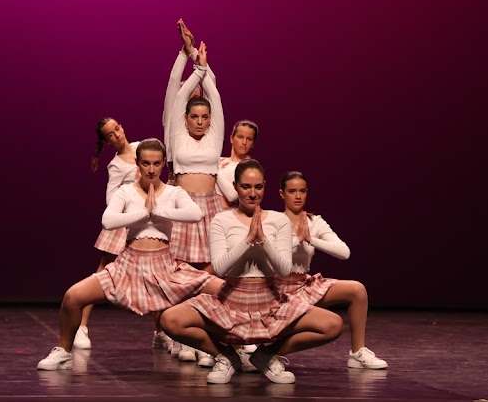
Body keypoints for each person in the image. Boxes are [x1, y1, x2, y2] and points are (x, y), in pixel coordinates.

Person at [37, 139, 224, 371]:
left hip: (164, 268)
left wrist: (157, 210)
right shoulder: (126, 192)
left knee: (223, 290)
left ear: (164, 163)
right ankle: (64, 351)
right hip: (127, 266)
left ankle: (231, 351)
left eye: (156, 163)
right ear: (137, 163)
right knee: (73, 297)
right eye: (146, 163)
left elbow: (195, 214)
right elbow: (108, 220)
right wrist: (143, 212)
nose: (152, 169)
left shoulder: (174, 192)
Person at [158, 159, 344, 384]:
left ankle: (267, 355)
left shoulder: (278, 220)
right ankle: (225, 357)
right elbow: (219, 267)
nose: (253, 193)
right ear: (236, 186)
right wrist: (247, 240)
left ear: (265, 186)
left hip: (270, 302)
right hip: (231, 300)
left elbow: (284, 270)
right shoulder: (222, 220)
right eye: (246, 187)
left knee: (333, 324)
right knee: (170, 319)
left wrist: (263, 240)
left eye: (258, 187)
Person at [161, 22, 226, 363]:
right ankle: (179, 332)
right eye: (194, 117)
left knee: (209, 272)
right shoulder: (178, 131)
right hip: (183, 204)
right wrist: (189, 61)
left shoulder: (215, 136)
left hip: (211, 207)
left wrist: (204, 66)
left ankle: (204, 331)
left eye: (205, 117)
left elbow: (212, 92)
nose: (200, 121)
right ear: (184, 119)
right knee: (180, 271)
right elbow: (178, 91)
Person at [278, 171, 388, 369]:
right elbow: (276, 258)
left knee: (357, 290)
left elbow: (344, 252)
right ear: (281, 194)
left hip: (304, 285)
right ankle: (269, 352)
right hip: (278, 290)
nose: (297, 196)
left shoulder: (314, 222)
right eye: (292, 191)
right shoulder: (273, 221)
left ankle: (357, 351)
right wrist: (297, 240)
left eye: (302, 191)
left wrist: (311, 238)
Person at [73, 118, 139, 350]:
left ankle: (162, 333)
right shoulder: (117, 165)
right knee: (103, 272)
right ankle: (81, 326)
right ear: (106, 141)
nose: (117, 135)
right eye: (110, 134)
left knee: (158, 274)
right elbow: (110, 200)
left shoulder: (143, 147)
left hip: (149, 219)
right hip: (126, 221)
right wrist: (131, 193)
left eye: (118, 129)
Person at [216, 120, 259, 207]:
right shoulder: (219, 161)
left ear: (253, 143)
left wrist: (216, 169)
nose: (244, 142)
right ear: (232, 138)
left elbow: (233, 196)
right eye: (240, 137)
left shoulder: (249, 168)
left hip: (229, 215)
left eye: (249, 139)